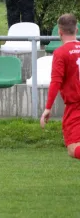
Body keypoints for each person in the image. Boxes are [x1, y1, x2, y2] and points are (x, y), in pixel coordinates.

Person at [40, 13, 80, 160]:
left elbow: (56, 81)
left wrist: (48, 108)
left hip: (75, 105)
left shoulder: (61, 53)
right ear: (76, 30)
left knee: (73, 148)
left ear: (59, 32)